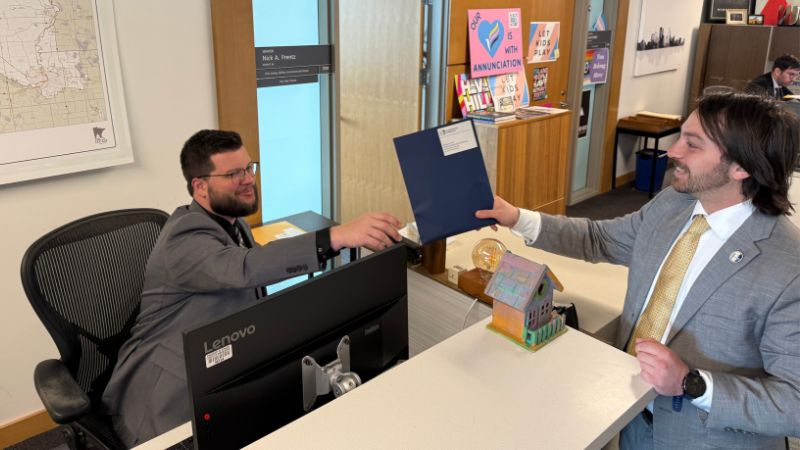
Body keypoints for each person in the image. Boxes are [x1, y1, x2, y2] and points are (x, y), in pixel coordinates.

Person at [476, 93, 800, 449]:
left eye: (692, 144)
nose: (673, 151)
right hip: (632, 421)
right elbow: (599, 239)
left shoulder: (787, 266)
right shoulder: (673, 203)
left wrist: (693, 383)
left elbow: (794, 402)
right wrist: (518, 218)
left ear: (742, 167)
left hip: (704, 439)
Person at [101, 129, 402, 446]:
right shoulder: (184, 238)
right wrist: (335, 237)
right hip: (164, 399)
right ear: (200, 186)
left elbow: (252, 269)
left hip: (220, 368)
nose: (248, 179)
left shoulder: (232, 224)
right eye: (233, 173)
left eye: (249, 168)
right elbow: (245, 268)